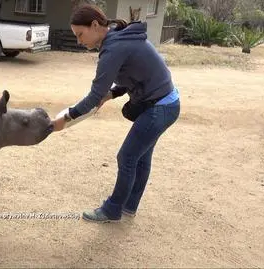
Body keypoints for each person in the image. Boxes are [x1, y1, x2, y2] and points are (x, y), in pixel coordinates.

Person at [51, 4, 181, 223]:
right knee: (140, 157)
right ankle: (129, 205)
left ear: (94, 25)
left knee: (127, 157)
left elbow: (94, 96)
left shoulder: (114, 48)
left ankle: (112, 210)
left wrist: (66, 118)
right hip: (166, 102)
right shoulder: (121, 38)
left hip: (160, 107)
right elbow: (136, 74)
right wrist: (110, 95)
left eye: (80, 34)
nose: (79, 41)